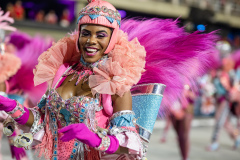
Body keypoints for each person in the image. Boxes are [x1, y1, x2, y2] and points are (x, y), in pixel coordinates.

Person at [0, 0, 218, 159]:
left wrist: (95, 139)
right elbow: (41, 122)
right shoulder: (64, 72)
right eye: (86, 33)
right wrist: (11, 106)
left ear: (112, 39)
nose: (91, 41)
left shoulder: (115, 82)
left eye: (100, 35)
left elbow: (133, 145)